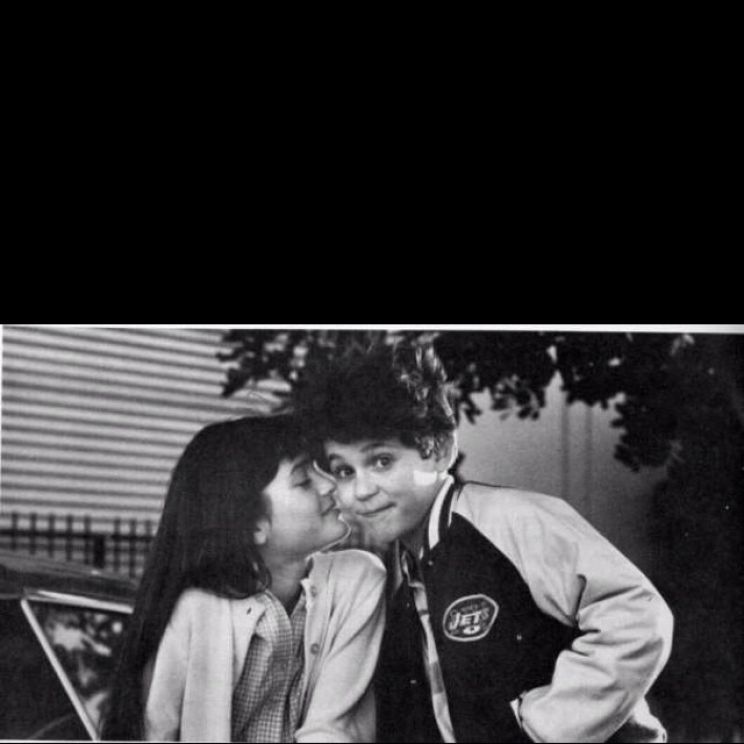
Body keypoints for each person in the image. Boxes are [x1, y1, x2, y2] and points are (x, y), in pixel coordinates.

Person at [295, 340, 674, 743]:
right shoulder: (407, 580)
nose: (361, 490)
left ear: (440, 449)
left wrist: (543, 727)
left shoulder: (509, 519)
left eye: (381, 461)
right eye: (345, 471)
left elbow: (636, 615)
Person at [101, 414, 386, 742]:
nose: (329, 484)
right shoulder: (199, 609)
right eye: (303, 480)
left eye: (319, 469)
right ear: (253, 526)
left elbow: (334, 727)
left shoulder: (358, 581)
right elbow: (156, 732)